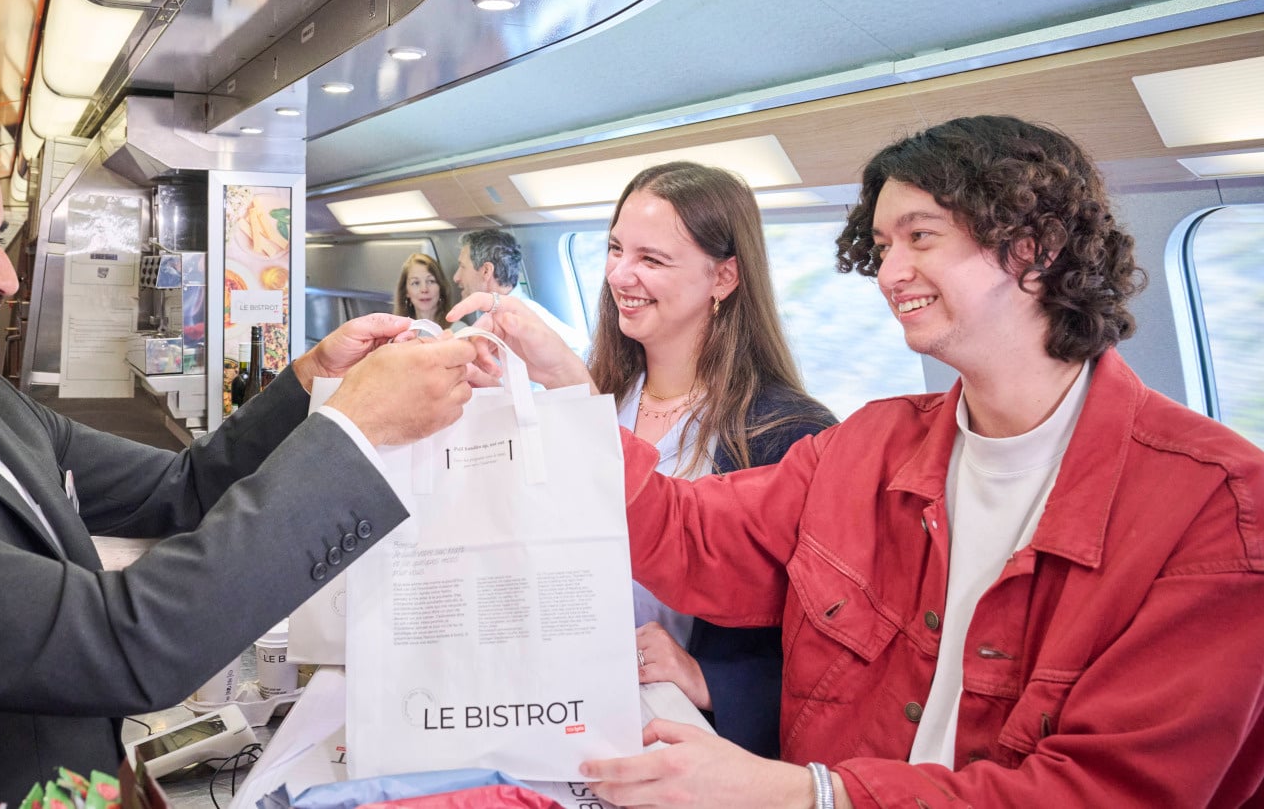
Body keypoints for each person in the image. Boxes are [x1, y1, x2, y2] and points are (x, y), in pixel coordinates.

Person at [472, 116, 1264, 808]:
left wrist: (804, 791)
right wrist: (569, 395)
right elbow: (691, 532)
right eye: (882, 246)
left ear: (1034, 249)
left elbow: (1102, 791)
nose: (888, 273)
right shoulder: (871, 444)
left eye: (921, 237)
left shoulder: (1214, 506)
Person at [0, 117, 479, 809]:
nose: (5, 276)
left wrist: (310, 383)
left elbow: (183, 488)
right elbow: (126, 644)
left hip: (84, 785)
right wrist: (355, 436)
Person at [589, 161, 834, 758]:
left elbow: (825, 647)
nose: (620, 273)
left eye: (652, 259)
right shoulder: (596, 400)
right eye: (615, 249)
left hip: (691, 742)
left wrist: (708, 679)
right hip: (578, 703)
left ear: (723, 277)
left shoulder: (790, 434)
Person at [453, 227, 588, 353]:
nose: (456, 277)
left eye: (462, 267)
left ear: (486, 271)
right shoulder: (484, 313)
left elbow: (579, 350)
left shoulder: (530, 315)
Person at [393, 251, 455, 326]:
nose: (424, 289)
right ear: (406, 291)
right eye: (416, 283)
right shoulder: (396, 331)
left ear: (441, 287)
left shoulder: (458, 331)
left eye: (431, 281)